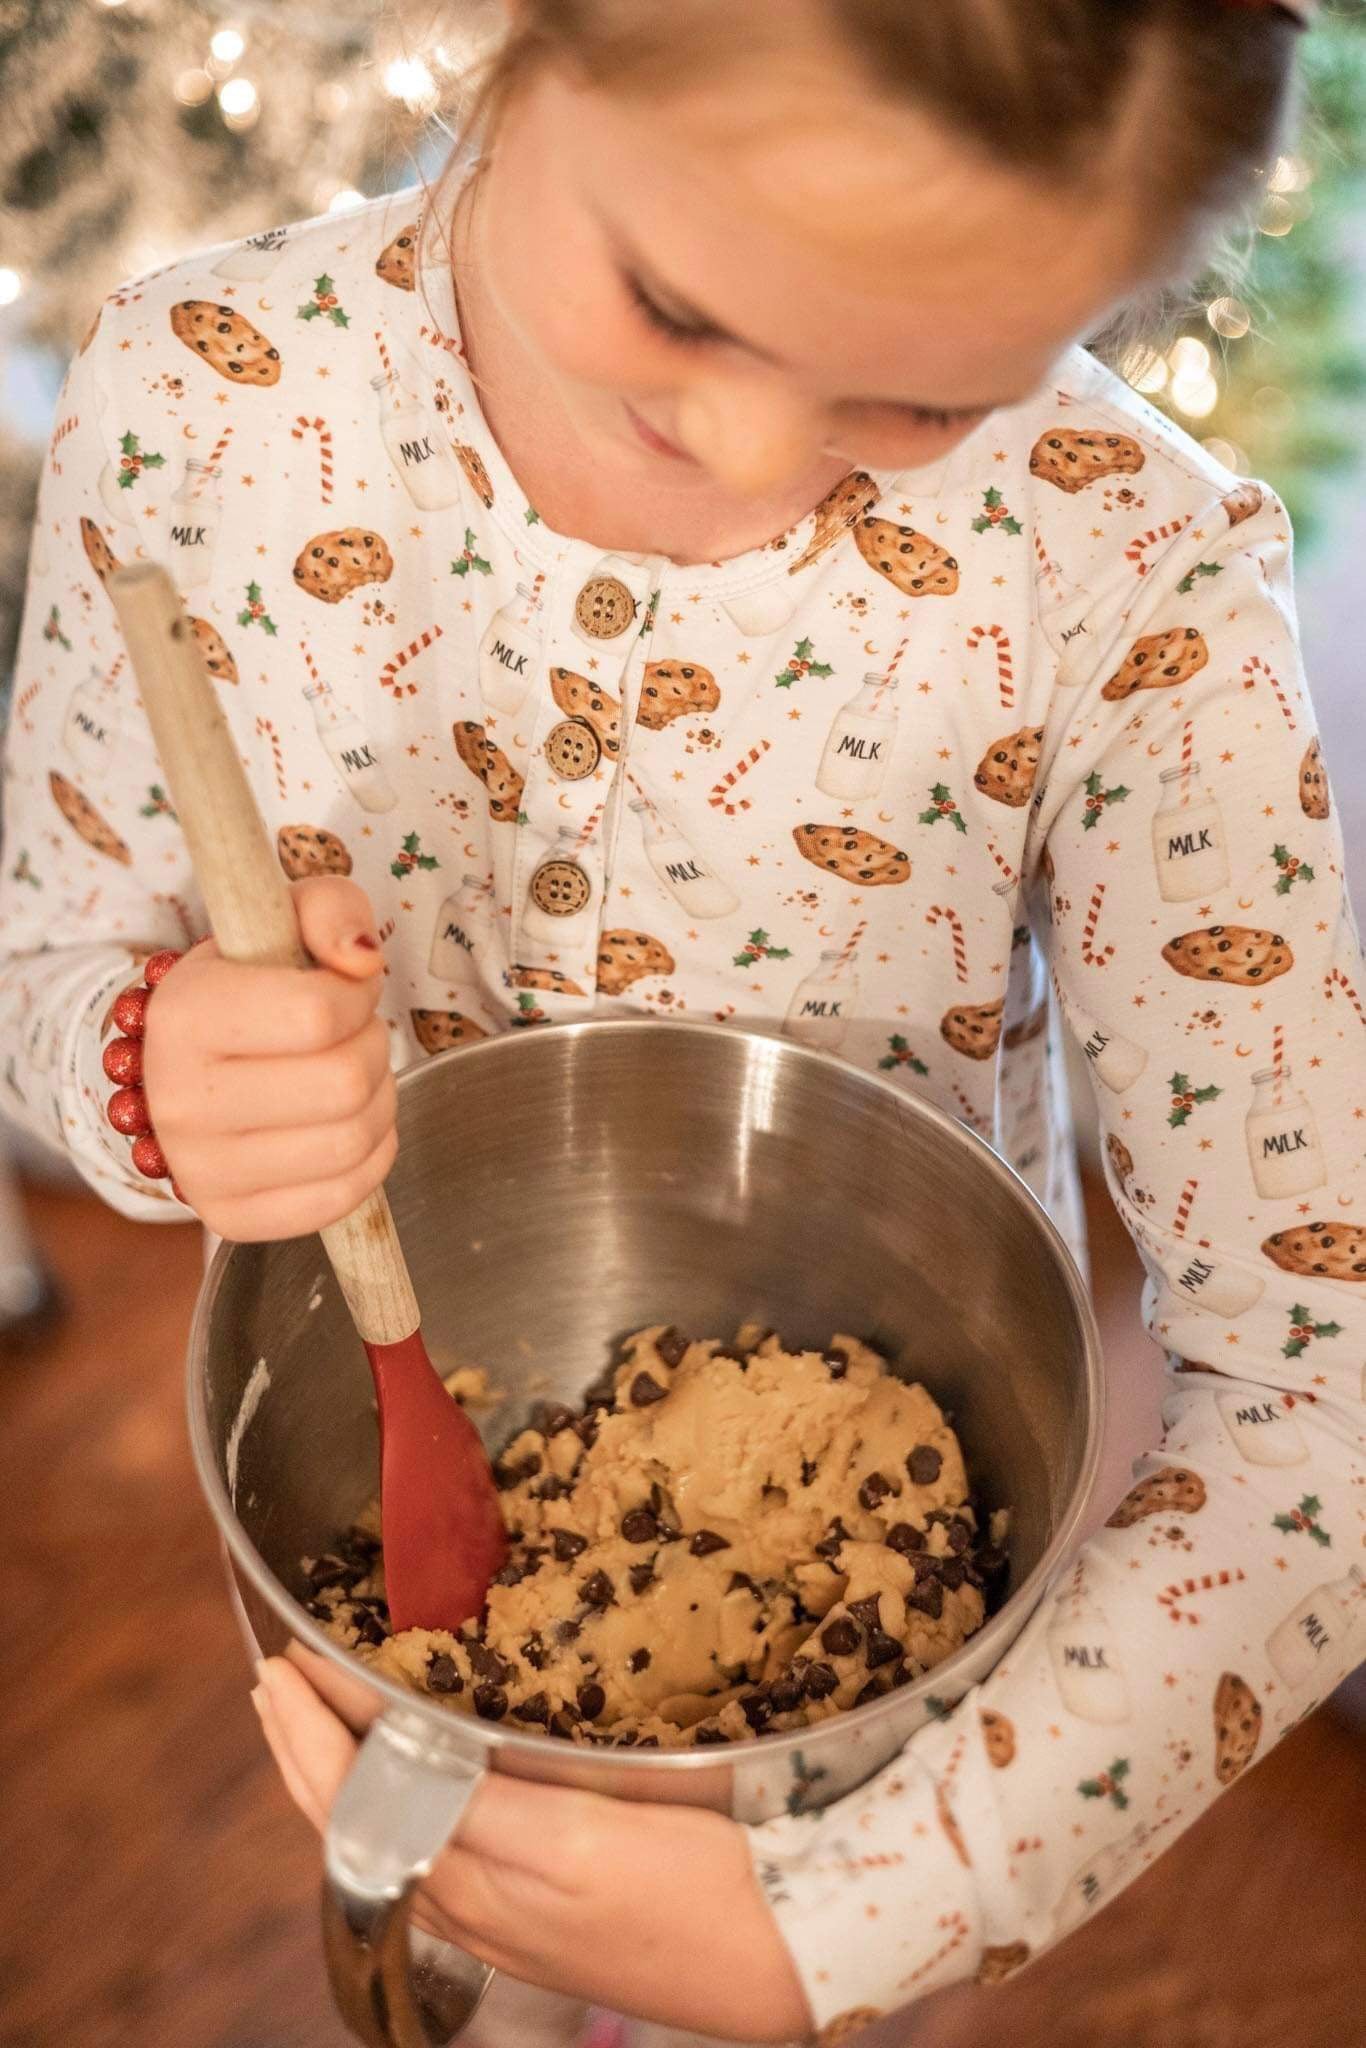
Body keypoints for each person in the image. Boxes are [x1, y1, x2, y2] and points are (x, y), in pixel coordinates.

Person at [2, 0, 1362, 2039]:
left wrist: (869, 1911)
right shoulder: (201, 396)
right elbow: (47, 969)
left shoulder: (1125, 580)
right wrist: (149, 1068)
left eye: (918, 401)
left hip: (848, 1790)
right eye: (674, 304)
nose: (746, 455)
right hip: (397, 1619)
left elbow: (1318, 1389)